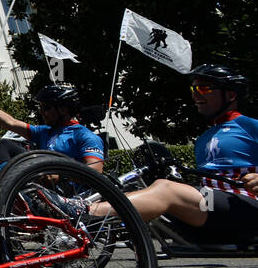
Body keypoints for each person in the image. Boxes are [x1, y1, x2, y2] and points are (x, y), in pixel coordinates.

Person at [40, 65, 258, 244]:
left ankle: (83, 211)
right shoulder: (205, 136)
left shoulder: (249, 126)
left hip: (244, 208)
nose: (196, 96)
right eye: (194, 90)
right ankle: (81, 228)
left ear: (230, 94)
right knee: (146, 191)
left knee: (166, 190)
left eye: (205, 89)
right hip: (210, 211)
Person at [0, 83, 105, 189]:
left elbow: (95, 171)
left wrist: (61, 175)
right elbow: (11, 123)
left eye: (46, 108)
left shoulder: (84, 135)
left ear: (63, 110)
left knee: (8, 147)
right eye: (41, 107)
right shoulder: (45, 131)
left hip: (67, 195)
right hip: (40, 188)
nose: (42, 112)